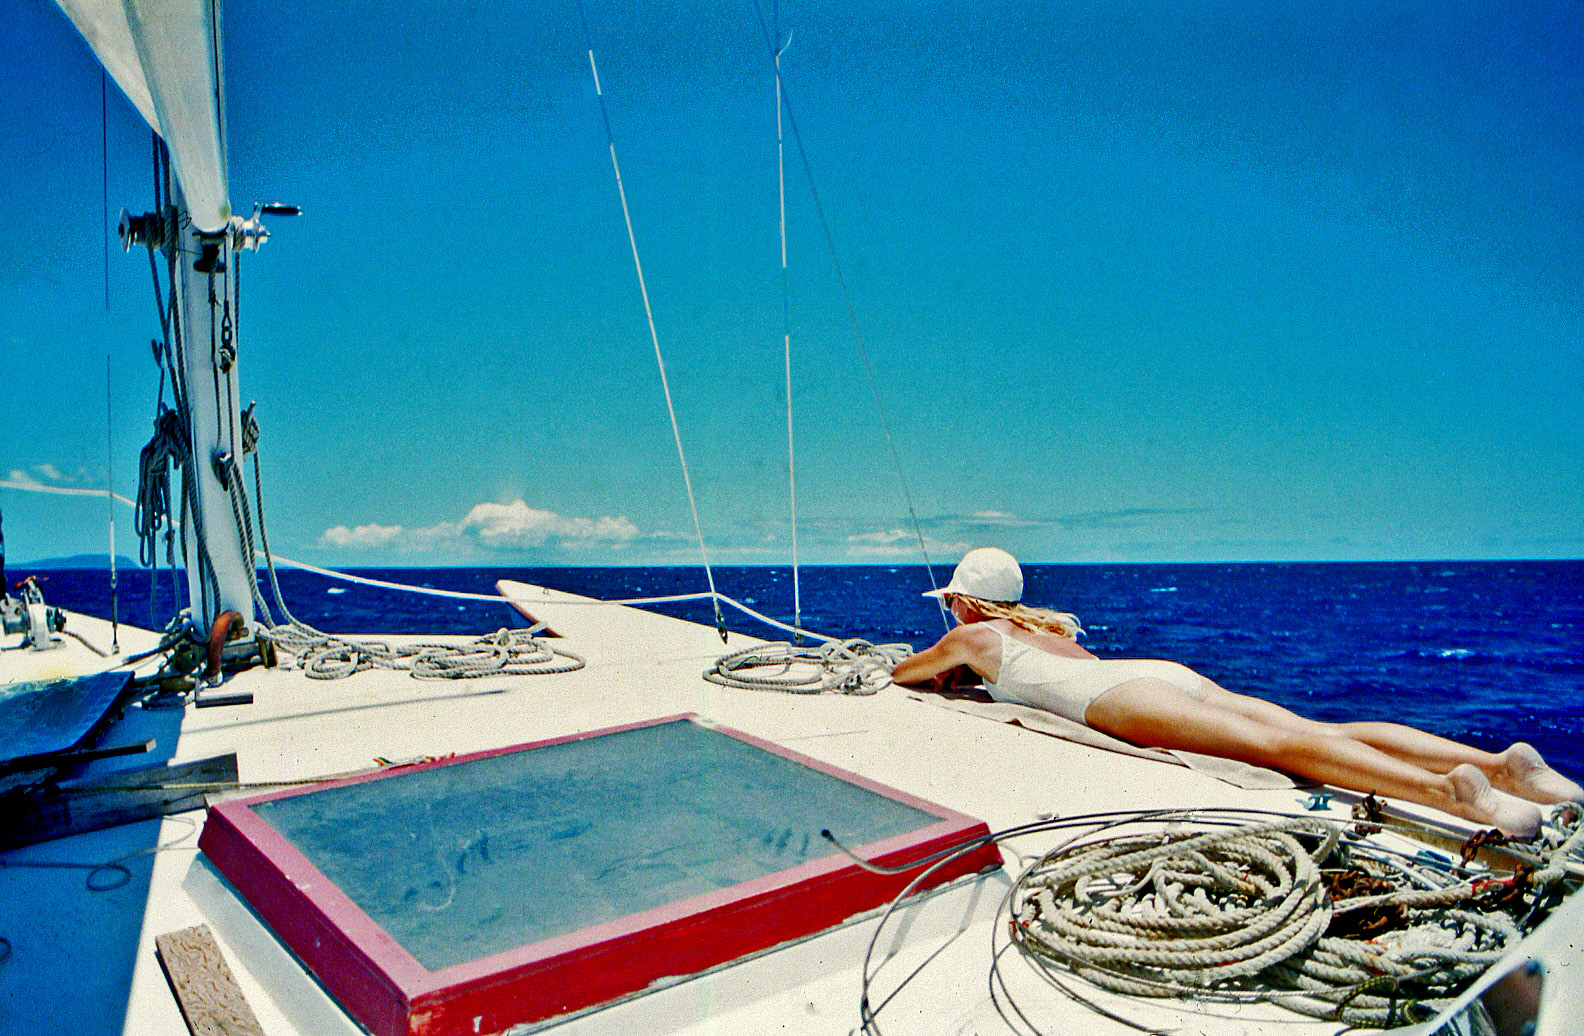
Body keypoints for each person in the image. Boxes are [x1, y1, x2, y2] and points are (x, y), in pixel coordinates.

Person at [892, 548, 1582, 838]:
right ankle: (1501, 764)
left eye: (951, 603)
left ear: (963, 602)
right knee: (1320, 728)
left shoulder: (970, 638)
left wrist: (949, 663)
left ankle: (1447, 793)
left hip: (1118, 696)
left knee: (1283, 749)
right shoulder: (1049, 632)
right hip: (1152, 672)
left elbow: (903, 674)